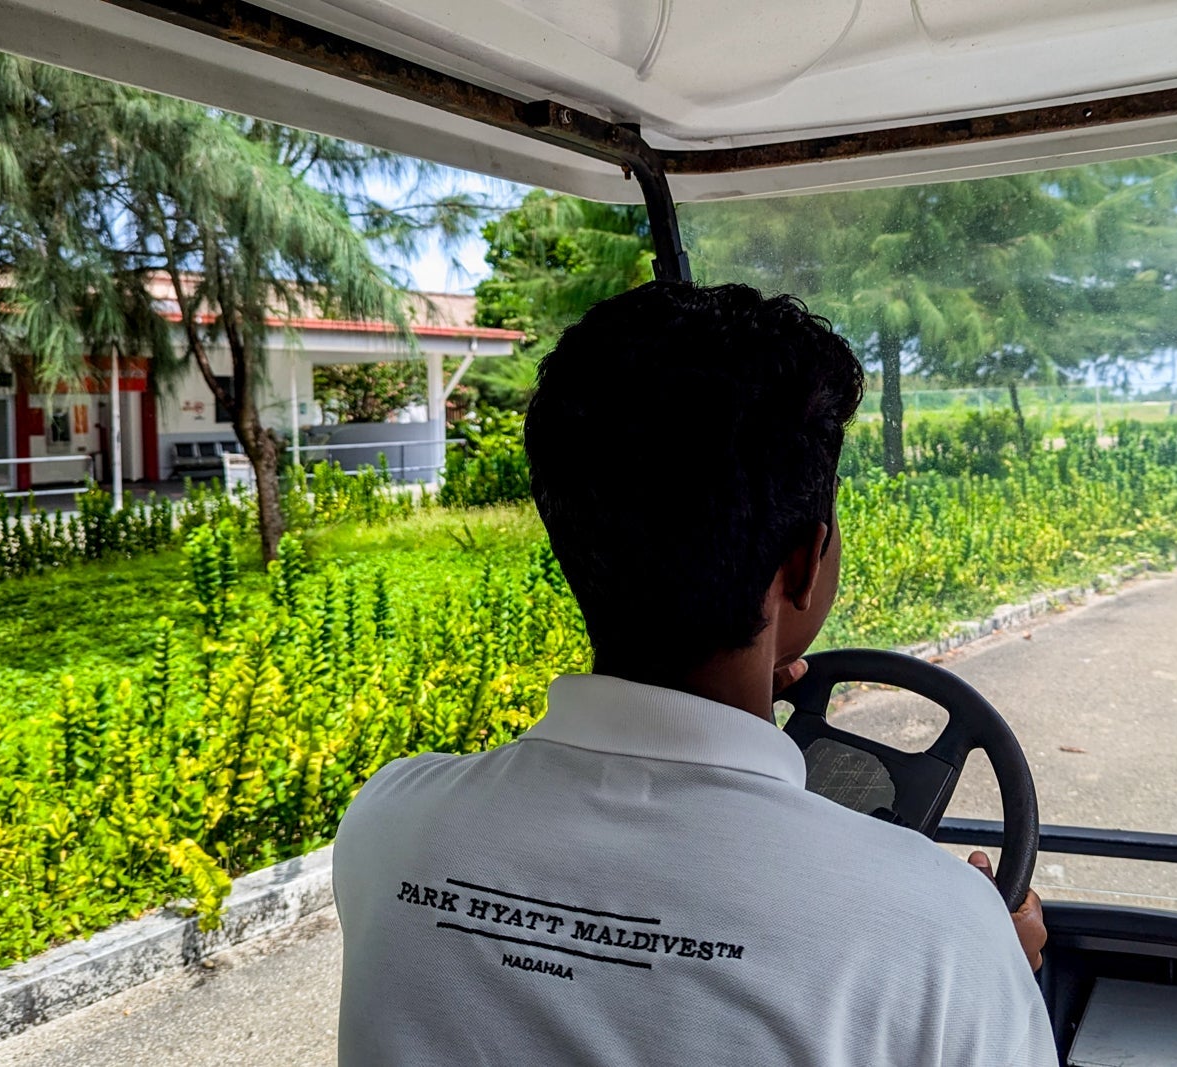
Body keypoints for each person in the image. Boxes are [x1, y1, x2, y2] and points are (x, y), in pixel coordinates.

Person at [333, 281, 1056, 1066]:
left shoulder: (389, 823)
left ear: (566, 532)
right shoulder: (941, 932)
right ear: (804, 564)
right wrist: (989, 972)